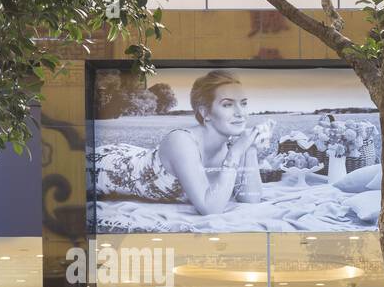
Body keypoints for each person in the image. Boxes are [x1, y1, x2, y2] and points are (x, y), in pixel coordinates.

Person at [94, 70, 266, 215]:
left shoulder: (231, 146)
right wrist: (236, 153)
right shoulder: (182, 141)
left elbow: (250, 199)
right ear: (205, 112)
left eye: (243, 103)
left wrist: (250, 148)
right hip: (104, 166)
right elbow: (210, 209)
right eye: (228, 105)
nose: (240, 113)